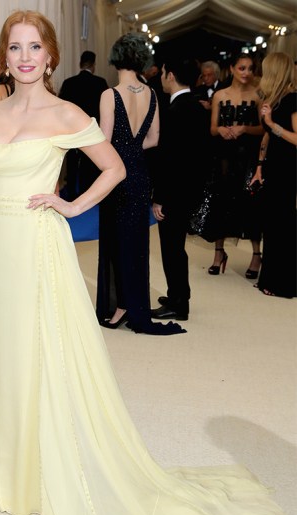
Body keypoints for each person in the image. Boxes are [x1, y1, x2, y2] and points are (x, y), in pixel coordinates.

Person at [0, 10, 297, 515]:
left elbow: (115, 168)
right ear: (4, 56)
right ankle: (16, 473)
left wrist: (70, 205)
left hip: (39, 248)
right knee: (6, 358)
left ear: (50, 56)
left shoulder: (67, 114)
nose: (23, 57)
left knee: (46, 357)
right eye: (14, 47)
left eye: (33, 47)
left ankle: (50, 471)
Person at [96, 34, 184, 335]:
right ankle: (133, 304)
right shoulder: (152, 94)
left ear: (115, 58)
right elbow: (154, 139)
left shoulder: (110, 95)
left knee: (114, 240)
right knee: (135, 242)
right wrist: (132, 151)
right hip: (140, 175)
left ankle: (121, 305)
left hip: (116, 176)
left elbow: (104, 142)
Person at [150, 57, 210, 321]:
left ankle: (178, 302)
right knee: (176, 247)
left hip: (175, 192)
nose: (162, 77)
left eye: (163, 72)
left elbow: (169, 160)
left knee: (172, 248)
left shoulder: (175, 111)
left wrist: (160, 197)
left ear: (171, 75)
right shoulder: (197, 107)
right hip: (190, 187)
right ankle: (177, 294)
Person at [205, 53, 263, 277]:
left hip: (248, 156)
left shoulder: (258, 95)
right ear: (231, 69)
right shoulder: (220, 95)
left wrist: (245, 128)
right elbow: (212, 128)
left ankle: (256, 255)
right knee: (221, 201)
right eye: (241, 68)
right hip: (224, 157)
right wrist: (220, 129)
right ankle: (219, 253)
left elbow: (264, 128)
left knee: (251, 203)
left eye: (250, 68)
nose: (246, 73)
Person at [250, 52, 297, 298]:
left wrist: (272, 124)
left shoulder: (293, 100)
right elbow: (267, 137)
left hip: (288, 169)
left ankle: (283, 283)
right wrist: (259, 166)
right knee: (272, 224)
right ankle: (270, 278)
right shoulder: (275, 100)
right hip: (274, 167)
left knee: (282, 225)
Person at [59, 50, 108, 198]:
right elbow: (105, 109)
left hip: (72, 131)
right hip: (91, 130)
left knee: (72, 164)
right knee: (89, 164)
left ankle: (72, 194)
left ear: (80, 64)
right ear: (93, 65)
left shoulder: (68, 83)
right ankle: (87, 194)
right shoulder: (100, 82)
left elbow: (61, 108)